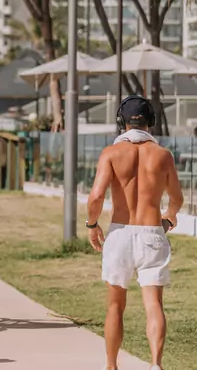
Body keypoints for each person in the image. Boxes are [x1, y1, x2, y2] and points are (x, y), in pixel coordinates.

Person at [87, 96, 182, 370]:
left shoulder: (111, 154)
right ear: (150, 122)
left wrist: (92, 225)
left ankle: (111, 366)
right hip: (152, 233)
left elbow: (95, 197)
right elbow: (176, 199)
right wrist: (169, 218)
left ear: (121, 122)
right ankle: (155, 364)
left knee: (115, 305)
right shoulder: (163, 155)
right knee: (154, 304)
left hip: (119, 234)